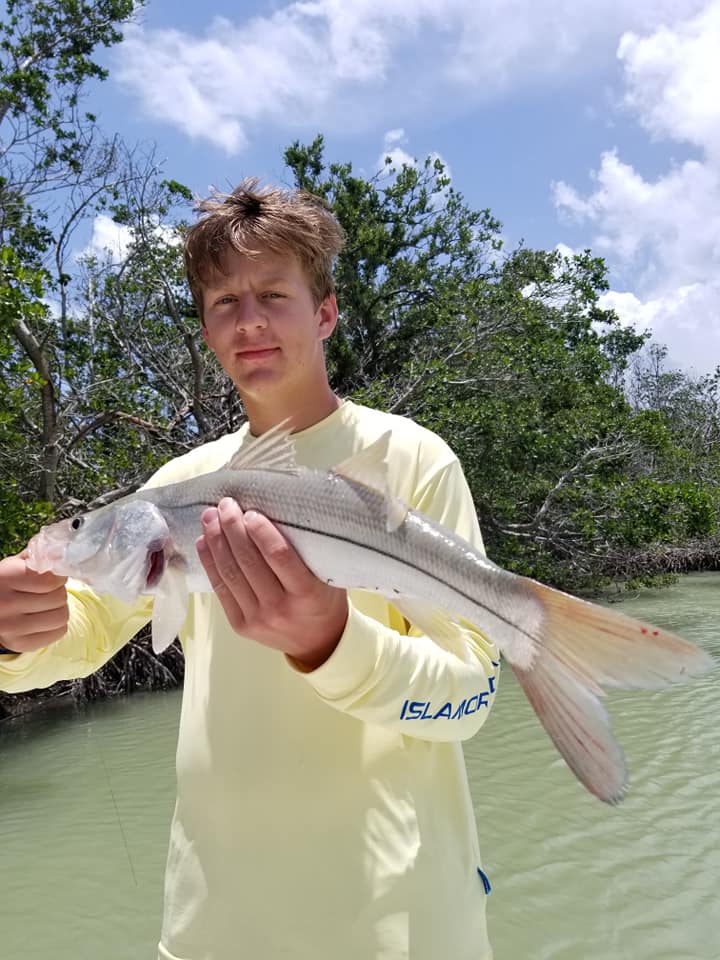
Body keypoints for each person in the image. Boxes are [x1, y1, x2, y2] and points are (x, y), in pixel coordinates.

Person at [0, 180, 500, 960]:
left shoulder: (411, 461)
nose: (251, 320)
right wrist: (14, 637)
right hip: (213, 929)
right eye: (225, 302)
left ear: (326, 312)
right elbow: (85, 626)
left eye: (274, 292)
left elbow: (472, 696)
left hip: (395, 927)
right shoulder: (178, 484)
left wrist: (334, 643)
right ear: (205, 329)